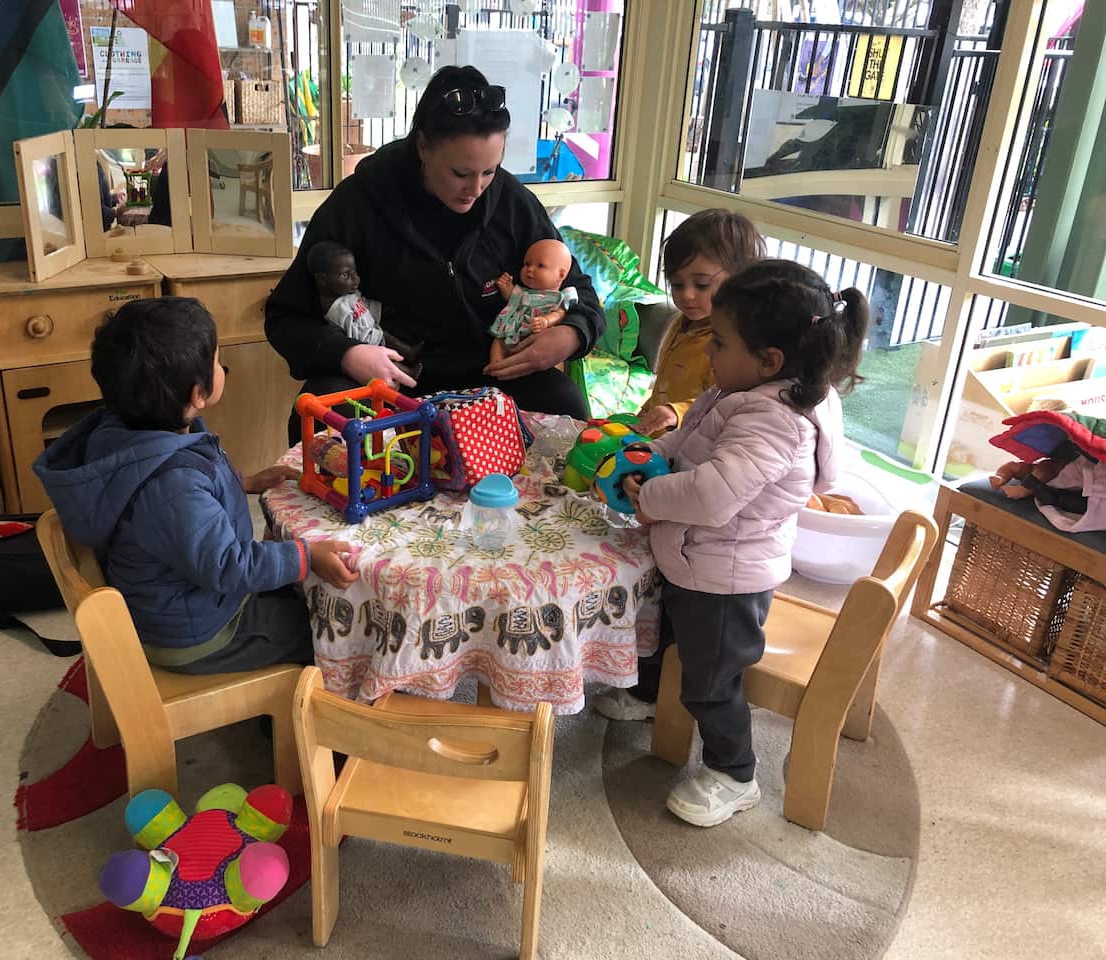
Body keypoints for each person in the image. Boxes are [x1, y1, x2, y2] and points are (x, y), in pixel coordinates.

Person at [599, 260, 868, 828]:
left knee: (713, 679)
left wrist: (650, 493)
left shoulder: (775, 420)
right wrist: (663, 451)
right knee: (660, 626)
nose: (709, 352)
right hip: (697, 557)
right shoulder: (745, 390)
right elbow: (696, 437)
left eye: (719, 342)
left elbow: (712, 495)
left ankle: (734, 772)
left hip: (726, 575)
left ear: (769, 360)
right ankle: (648, 695)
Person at [265, 64, 606, 445]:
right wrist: (348, 354)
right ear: (423, 147)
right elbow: (285, 316)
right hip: (390, 379)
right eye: (461, 173)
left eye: (489, 171)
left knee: (563, 402)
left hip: (490, 377)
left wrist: (571, 336)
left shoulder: (512, 203)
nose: (475, 189)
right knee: (324, 413)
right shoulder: (358, 203)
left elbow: (581, 294)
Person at [33, 297, 358, 675]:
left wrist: (247, 482)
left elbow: (199, 487)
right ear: (197, 394)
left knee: (298, 588)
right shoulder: (173, 486)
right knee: (328, 629)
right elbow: (228, 566)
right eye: (218, 363)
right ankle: (291, 719)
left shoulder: (134, 428)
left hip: (177, 600)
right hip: (198, 632)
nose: (222, 368)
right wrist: (304, 557)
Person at [634, 210, 765, 438]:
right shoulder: (681, 323)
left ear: (740, 280)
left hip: (692, 447)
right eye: (676, 284)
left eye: (702, 285)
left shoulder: (733, 346)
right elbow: (663, 388)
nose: (687, 295)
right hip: (658, 438)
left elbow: (725, 403)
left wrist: (677, 413)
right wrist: (643, 416)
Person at [308, 240, 423, 380]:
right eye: (345, 275)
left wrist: (380, 309)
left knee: (388, 338)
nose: (355, 278)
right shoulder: (337, 310)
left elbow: (364, 303)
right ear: (322, 280)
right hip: (366, 342)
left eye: (354, 271)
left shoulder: (348, 293)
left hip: (373, 331)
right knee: (385, 360)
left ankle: (409, 352)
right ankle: (407, 372)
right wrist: (368, 341)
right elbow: (350, 332)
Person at [488, 237, 577, 369]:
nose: (530, 269)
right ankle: (495, 366)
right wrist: (506, 287)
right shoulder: (524, 293)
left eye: (540, 265)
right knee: (498, 341)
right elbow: (511, 298)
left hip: (536, 335)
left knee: (551, 355)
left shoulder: (558, 297)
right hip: (511, 330)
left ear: (561, 274)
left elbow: (560, 313)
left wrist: (546, 321)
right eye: (527, 264)